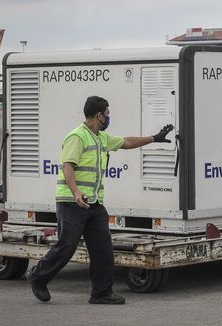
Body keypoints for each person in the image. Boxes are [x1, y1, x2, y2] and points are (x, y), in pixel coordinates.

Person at [26, 96, 173, 304]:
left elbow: (126, 142)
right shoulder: (77, 137)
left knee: (103, 248)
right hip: (71, 202)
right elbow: (68, 166)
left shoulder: (101, 137)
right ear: (99, 115)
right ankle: (38, 277)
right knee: (66, 245)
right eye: (108, 113)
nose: (109, 117)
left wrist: (154, 138)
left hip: (93, 204)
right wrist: (76, 193)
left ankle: (101, 292)